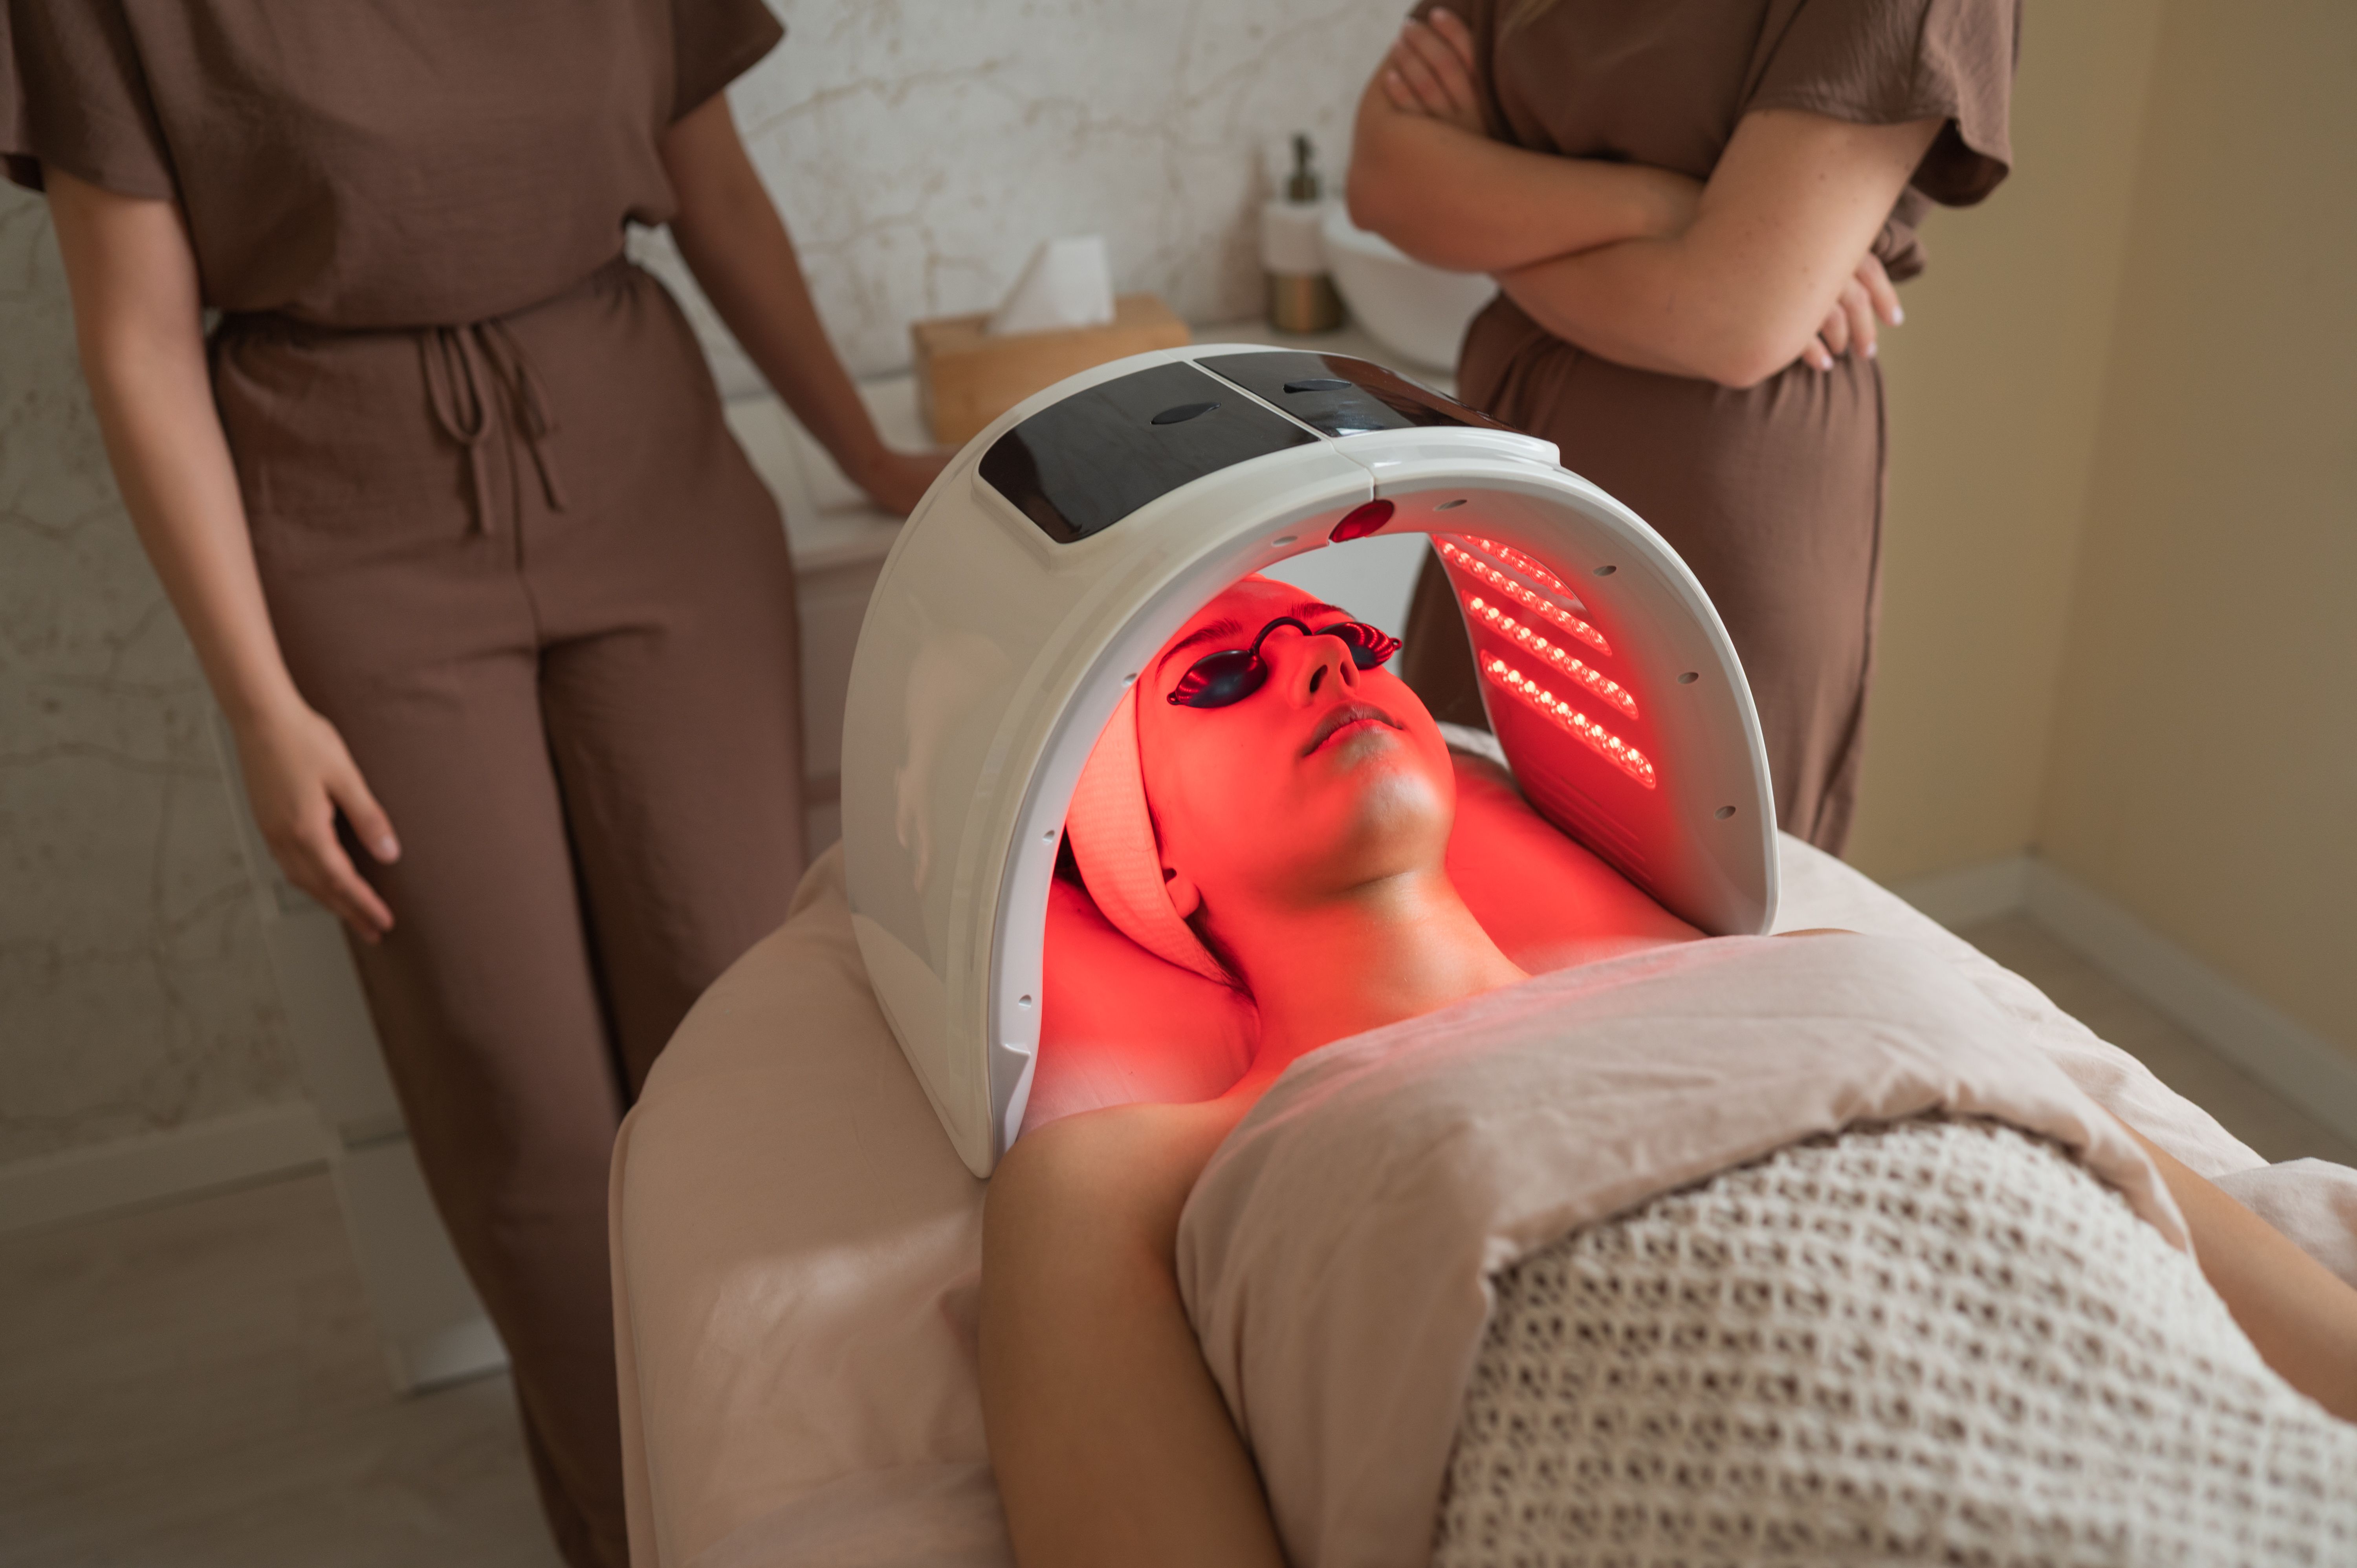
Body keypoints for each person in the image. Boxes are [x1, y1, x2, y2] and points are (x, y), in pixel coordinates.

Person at [4, 4, 940, 1562]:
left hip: (645, 472)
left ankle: (821, 1507)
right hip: (344, 512)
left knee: (744, 1053)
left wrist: (863, 443)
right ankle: (658, 1531)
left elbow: (713, 190)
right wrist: (258, 704)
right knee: (523, 1111)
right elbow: (140, 334)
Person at [978, 575, 2357, 1567]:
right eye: (1220, 676)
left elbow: (2273, 1330)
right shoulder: (1130, 1173)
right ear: (1146, 854)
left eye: (1347, 635)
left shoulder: (1828, 963)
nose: (1326, 667)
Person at [1349, 0, 2020, 854]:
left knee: (1685, 931)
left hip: (1718, 491)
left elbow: (1729, 320)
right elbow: (1386, 181)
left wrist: (1487, 203)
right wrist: (1675, 209)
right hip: (1504, 479)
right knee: (1455, 869)